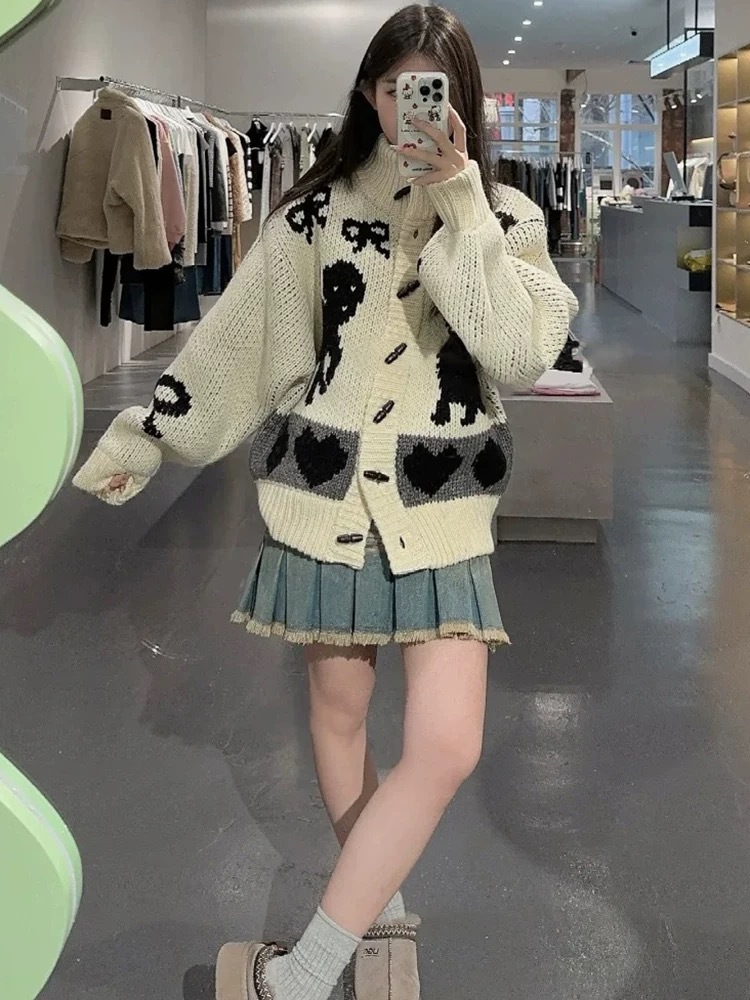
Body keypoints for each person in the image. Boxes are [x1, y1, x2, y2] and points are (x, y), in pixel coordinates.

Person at [73, 5, 578, 999]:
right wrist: (144, 437)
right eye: (395, 88)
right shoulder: (311, 215)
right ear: (368, 94)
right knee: (339, 720)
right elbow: (239, 342)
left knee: (446, 745)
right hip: (326, 497)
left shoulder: (505, 218)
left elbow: (519, 352)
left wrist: (460, 203)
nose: (410, 107)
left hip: (440, 506)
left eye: (431, 90)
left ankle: (305, 970)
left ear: (463, 100)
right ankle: (373, 905)